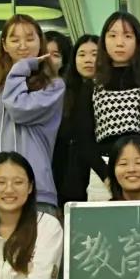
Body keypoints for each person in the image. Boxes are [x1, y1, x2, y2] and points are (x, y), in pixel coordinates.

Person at [0, 14, 64, 214]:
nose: (22, 45)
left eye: (29, 39)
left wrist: (21, 69)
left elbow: (19, 109)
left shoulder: (53, 86)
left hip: (36, 189)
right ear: (4, 45)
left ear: (40, 42)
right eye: (14, 39)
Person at [84, 12, 140, 202]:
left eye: (127, 36)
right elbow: (84, 137)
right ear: (104, 41)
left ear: (137, 41)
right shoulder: (91, 84)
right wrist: (107, 175)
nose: (119, 43)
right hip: (102, 170)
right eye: (112, 35)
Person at [52, 34, 99, 207]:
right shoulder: (61, 92)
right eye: (82, 54)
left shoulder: (109, 92)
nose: (88, 60)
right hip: (67, 172)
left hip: (98, 170)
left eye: (95, 54)